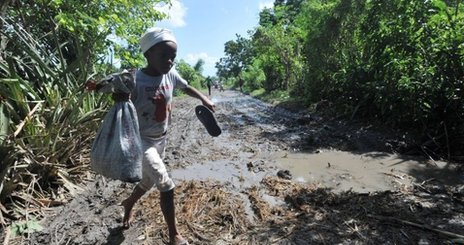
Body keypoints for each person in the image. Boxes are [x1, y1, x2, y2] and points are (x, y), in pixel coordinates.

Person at [115, 27, 215, 245]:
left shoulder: (170, 74)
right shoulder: (136, 80)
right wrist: (119, 94)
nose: (169, 61)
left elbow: (186, 87)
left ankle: (129, 203)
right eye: (164, 56)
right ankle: (174, 235)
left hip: (161, 138)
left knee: (148, 182)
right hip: (141, 141)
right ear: (148, 54)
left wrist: (203, 99)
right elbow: (120, 105)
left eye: (173, 57)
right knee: (166, 184)